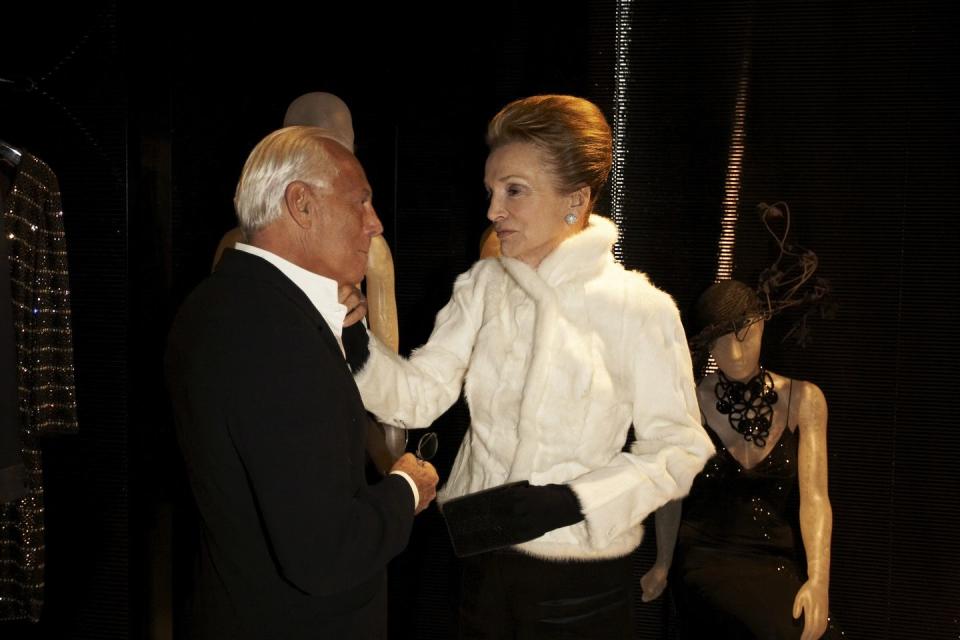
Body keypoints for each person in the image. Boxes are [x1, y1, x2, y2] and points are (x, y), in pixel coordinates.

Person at [342, 95, 714, 638]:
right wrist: (357, 346)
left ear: (576, 198)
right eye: (492, 191)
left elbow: (681, 449)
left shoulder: (639, 308)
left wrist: (572, 502)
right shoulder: (483, 288)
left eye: (514, 190)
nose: (493, 210)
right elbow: (418, 395)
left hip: (580, 586)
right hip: (481, 562)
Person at [165, 126, 439, 639]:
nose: (375, 224)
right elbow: (325, 553)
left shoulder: (215, 302)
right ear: (302, 205)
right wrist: (406, 487)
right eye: (361, 201)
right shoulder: (276, 335)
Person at [640, 279, 840, 640]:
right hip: (705, 559)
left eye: (744, 333)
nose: (735, 350)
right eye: (722, 337)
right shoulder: (688, 403)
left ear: (762, 324)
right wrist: (664, 564)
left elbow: (815, 499)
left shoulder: (804, 400)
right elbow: (670, 494)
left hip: (776, 561)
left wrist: (819, 581)